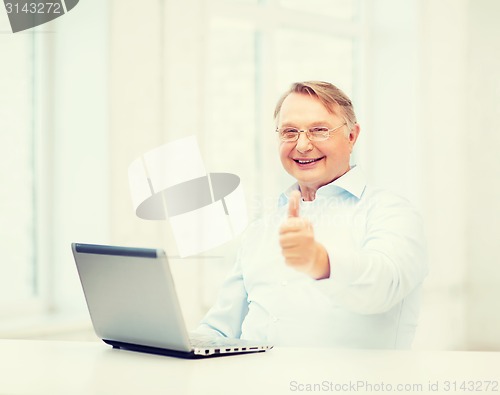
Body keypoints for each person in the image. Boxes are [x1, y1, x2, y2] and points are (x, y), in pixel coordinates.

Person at [195, 81, 428, 349]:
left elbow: (384, 286)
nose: (303, 145)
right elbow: (220, 328)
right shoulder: (261, 229)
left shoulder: (391, 212)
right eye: (290, 132)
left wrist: (320, 262)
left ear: (352, 136)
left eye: (319, 130)